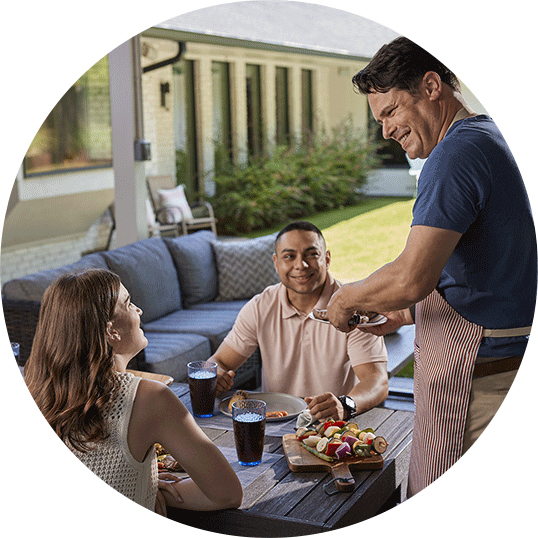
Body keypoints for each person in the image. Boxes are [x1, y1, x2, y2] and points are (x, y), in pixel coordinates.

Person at [324, 36, 536, 496]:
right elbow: (481, 266)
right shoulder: (489, 135)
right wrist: (402, 314)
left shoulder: (454, 155)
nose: (385, 131)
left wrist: (346, 298)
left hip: (478, 375)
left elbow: (411, 277)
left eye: (391, 112)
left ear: (432, 85)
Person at [24, 269, 242, 515]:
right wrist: (148, 491)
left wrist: (138, 484)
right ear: (110, 332)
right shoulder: (149, 398)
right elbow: (227, 494)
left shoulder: (32, 392)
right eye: (128, 303)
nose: (138, 310)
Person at [211, 221, 389, 422]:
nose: (301, 265)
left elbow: (376, 380)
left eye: (311, 254)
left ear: (327, 259)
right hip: (272, 422)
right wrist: (215, 374)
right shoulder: (260, 306)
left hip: (334, 425)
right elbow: (220, 362)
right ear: (276, 262)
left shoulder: (353, 308)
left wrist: (345, 404)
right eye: (289, 256)